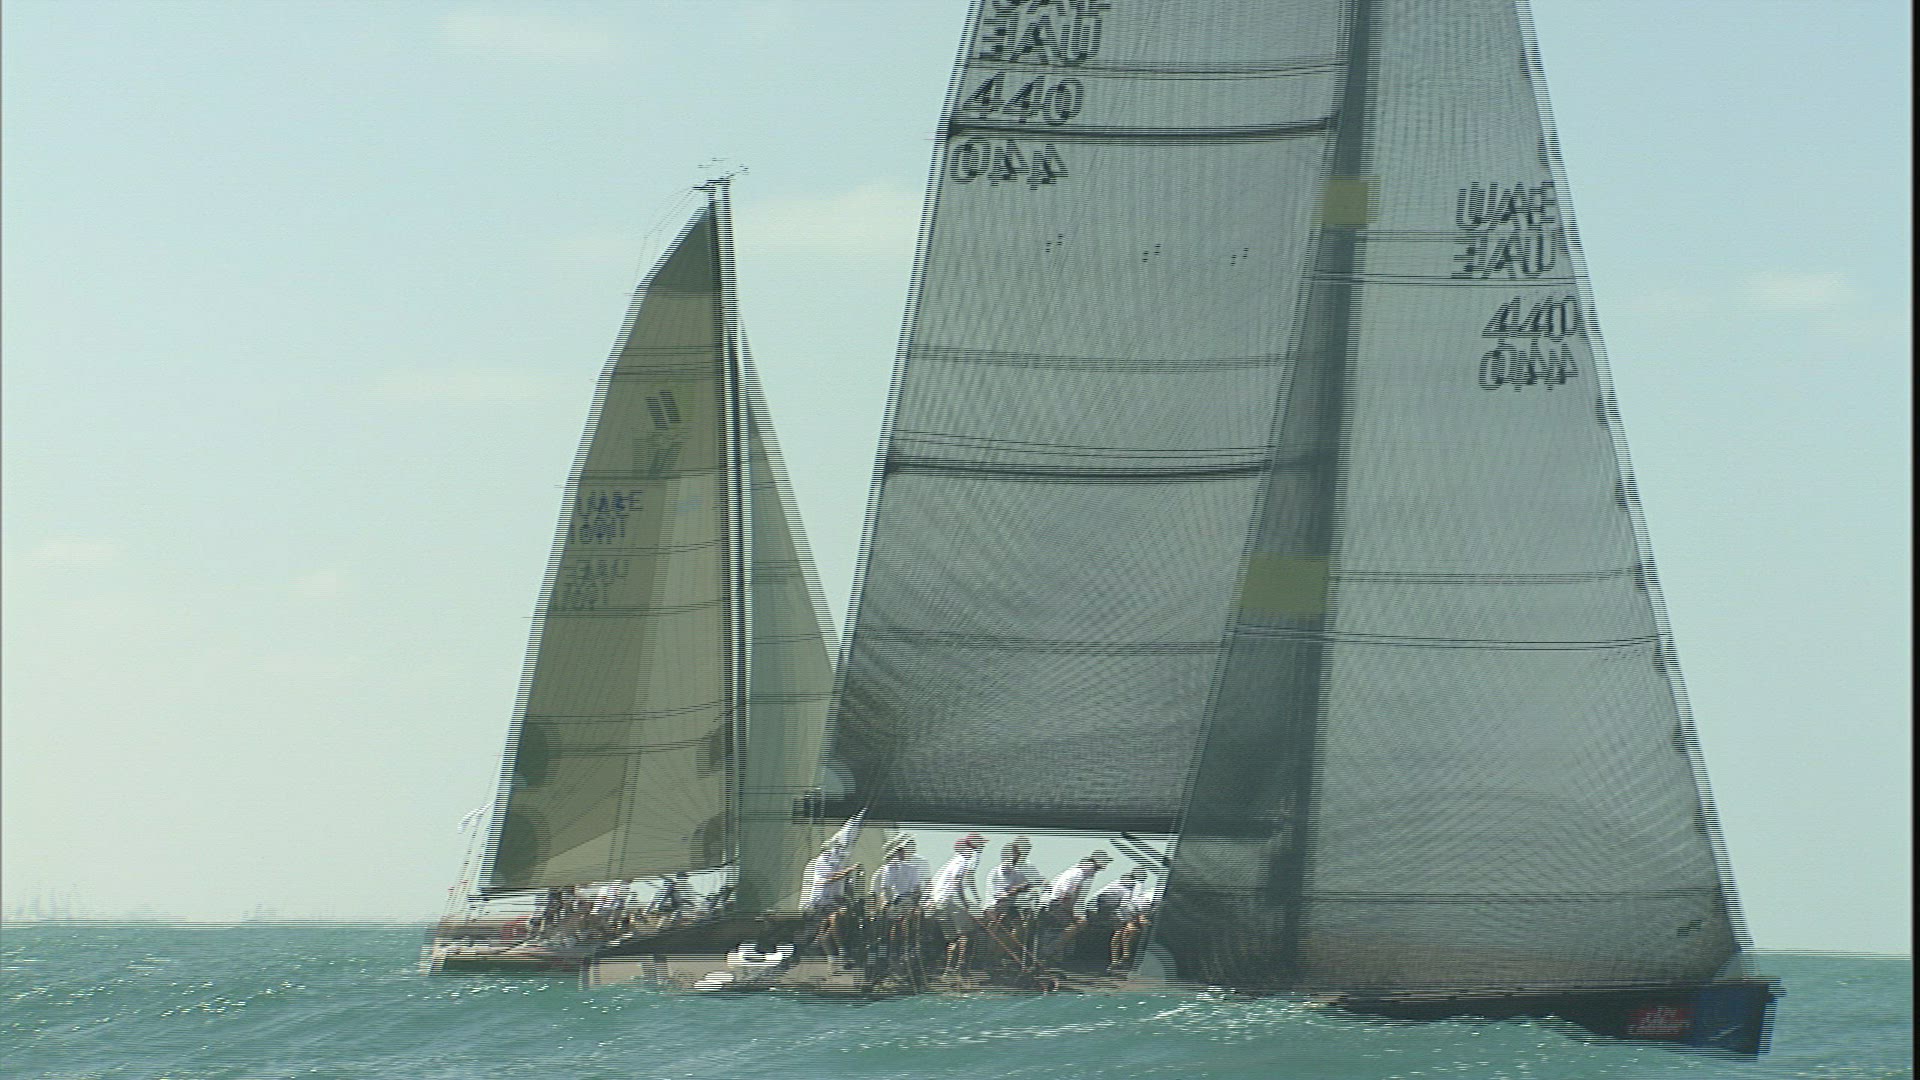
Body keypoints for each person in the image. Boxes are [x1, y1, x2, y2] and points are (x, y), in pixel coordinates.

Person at [796, 813, 865, 962]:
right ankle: (841, 949)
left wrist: (850, 898)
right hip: (819, 904)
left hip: (835, 903)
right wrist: (848, 870)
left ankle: (832, 948)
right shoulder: (822, 861)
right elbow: (828, 879)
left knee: (846, 917)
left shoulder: (842, 863)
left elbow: (846, 886)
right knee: (835, 917)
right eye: (838, 848)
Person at [924, 833, 986, 975]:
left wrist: (975, 898)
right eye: (981, 843)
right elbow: (957, 881)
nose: (983, 846)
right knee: (966, 934)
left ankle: (949, 969)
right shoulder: (965, 860)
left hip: (940, 902)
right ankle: (961, 967)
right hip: (952, 900)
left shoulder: (954, 861)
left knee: (953, 938)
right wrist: (965, 902)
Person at [1038, 850, 1111, 962]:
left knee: (1073, 925)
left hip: (1055, 904)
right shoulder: (1078, 874)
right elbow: (1066, 895)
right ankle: (1051, 949)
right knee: (1081, 923)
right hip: (1056, 905)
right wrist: (1070, 912)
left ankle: (1056, 952)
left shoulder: (1075, 872)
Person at [984, 836, 1043, 964]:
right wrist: (1024, 887)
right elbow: (1003, 893)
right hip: (996, 905)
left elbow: (1035, 882)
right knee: (1003, 929)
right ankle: (993, 957)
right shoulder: (1004, 868)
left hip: (1011, 905)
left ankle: (1001, 956)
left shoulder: (1024, 867)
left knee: (1021, 930)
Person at [1086, 869, 1150, 972]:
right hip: (1106, 909)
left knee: (1121, 931)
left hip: (1097, 907)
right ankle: (1124, 957)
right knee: (1124, 930)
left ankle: (1117, 960)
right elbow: (1126, 904)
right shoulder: (1131, 887)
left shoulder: (1117, 882)